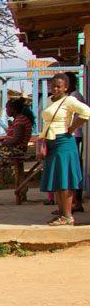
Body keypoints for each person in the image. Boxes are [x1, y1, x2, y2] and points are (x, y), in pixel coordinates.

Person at [38, 73, 90, 226]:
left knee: (65, 180)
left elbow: (86, 112)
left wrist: (72, 127)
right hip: (51, 142)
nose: (55, 88)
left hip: (64, 142)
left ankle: (67, 216)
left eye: (59, 86)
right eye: (53, 85)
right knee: (57, 180)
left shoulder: (70, 100)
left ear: (66, 87)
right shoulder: (49, 100)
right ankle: (61, 214)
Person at [65, 72, 86, 213]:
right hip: (73, 136)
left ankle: (75, 202)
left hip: (73, 136)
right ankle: (74, 202)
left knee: (72, 169)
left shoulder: (74, 96)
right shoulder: (74, 95)